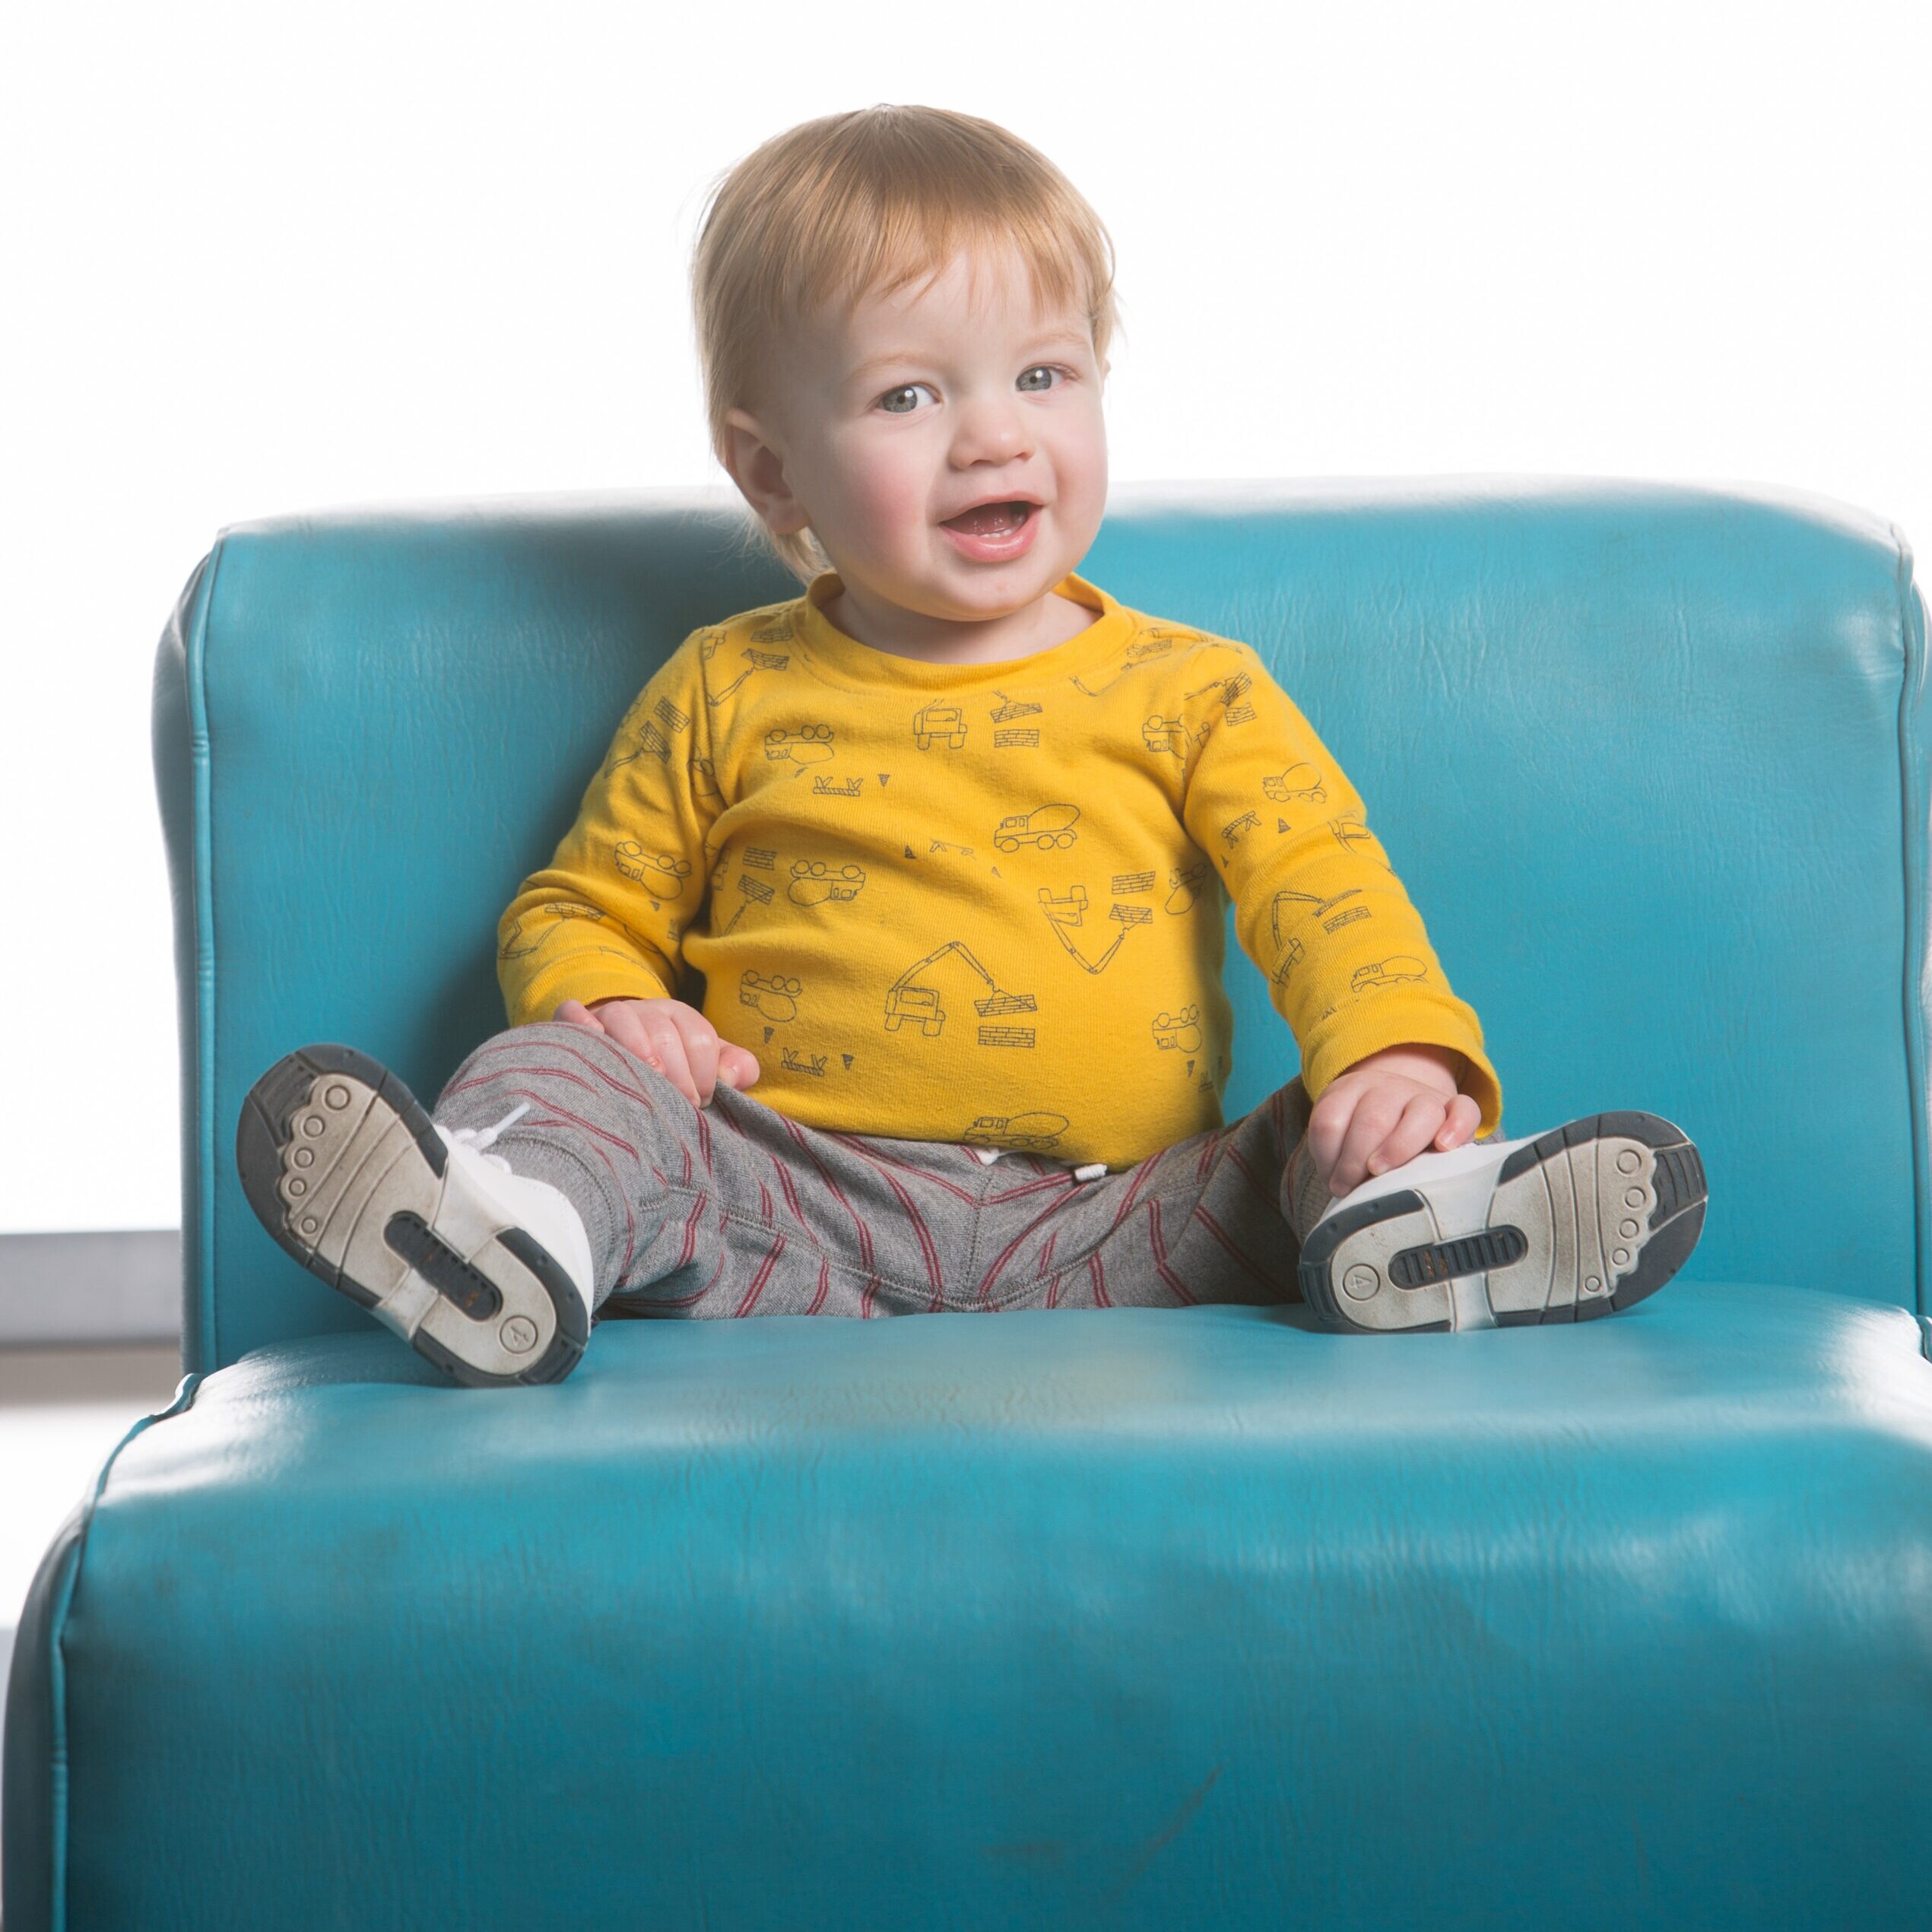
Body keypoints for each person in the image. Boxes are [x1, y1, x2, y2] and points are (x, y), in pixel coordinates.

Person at [235, 105, 1708, 1388]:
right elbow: (572, 908)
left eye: (1044, 376)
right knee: (558, 1073)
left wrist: (1387, 1052)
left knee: (1323, 1139)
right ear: (771, 469)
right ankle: (508, 1241)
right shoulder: (724, 686)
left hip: (1131, 1223)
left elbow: (1318, 883)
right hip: (791, 1201)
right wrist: (616, 1004)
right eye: (908, 395)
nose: (994, 437)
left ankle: (1435, 1221)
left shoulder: (1191, 688)